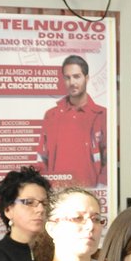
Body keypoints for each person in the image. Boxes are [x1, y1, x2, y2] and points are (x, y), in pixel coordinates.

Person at [37, 55, 106, 186]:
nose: (72, 82)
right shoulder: (51, 115)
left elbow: (108, 158)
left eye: (76, 76)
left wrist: (102, 187)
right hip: (57, 193)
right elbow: (41, 157)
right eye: (67, 78)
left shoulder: (101, 114)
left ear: (86, 78)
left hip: (90, 192)